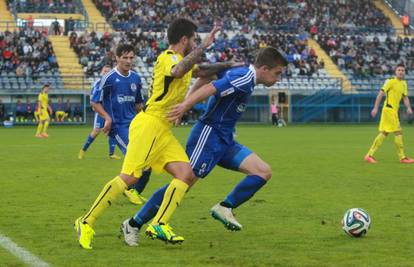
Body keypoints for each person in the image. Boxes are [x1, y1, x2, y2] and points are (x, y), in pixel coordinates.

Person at [75, 18, 226, 249]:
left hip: (163, 129)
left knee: (185, 174)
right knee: (130, 177)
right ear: (184, 39)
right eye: (193, 39)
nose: (195, 43)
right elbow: (178, 71)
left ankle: (159, 223)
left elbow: (201, 70)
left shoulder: (182, 61)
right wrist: (203, 46)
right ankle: (86, 221)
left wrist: (229, 66)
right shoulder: (167, 57)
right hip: (149, 124)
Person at [120, 47, 288, 247]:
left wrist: (187, 98)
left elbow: (211, 75)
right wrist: (185, 105)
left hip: (225, 140)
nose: (278, 79)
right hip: (208, 136)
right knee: (184, 181)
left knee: (262, 171)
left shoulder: (244, 76)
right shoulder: (243, 78)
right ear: (265, 68)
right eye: (277, 73)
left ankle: (225, 207)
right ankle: (133, 223)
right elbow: (211, 88)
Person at [364, 64, 414, 164]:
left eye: (403, 70)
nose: (401, 72)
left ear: (404, 73)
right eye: (399, 70)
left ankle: (369, 155)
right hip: (389, 110)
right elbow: (380, 94)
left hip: (393, 111)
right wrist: (375, 108)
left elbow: (405, 97)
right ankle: (402, 157)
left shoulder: (404, 84)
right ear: (395, 72)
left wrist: (408, 107)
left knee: (384, 133)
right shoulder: (390, 81)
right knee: (398, 131)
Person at [78, 65, 122, 160]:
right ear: (102, 72)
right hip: (101, 111)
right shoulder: (98, 83)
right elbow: (92, 97)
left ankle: (111, 154)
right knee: (96, 131)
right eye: (104, 71)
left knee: (113, 131)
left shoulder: (114, 83)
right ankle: (82, 151)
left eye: (108, 71)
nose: (106, 72)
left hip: (111, 111)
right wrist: (94, 107)